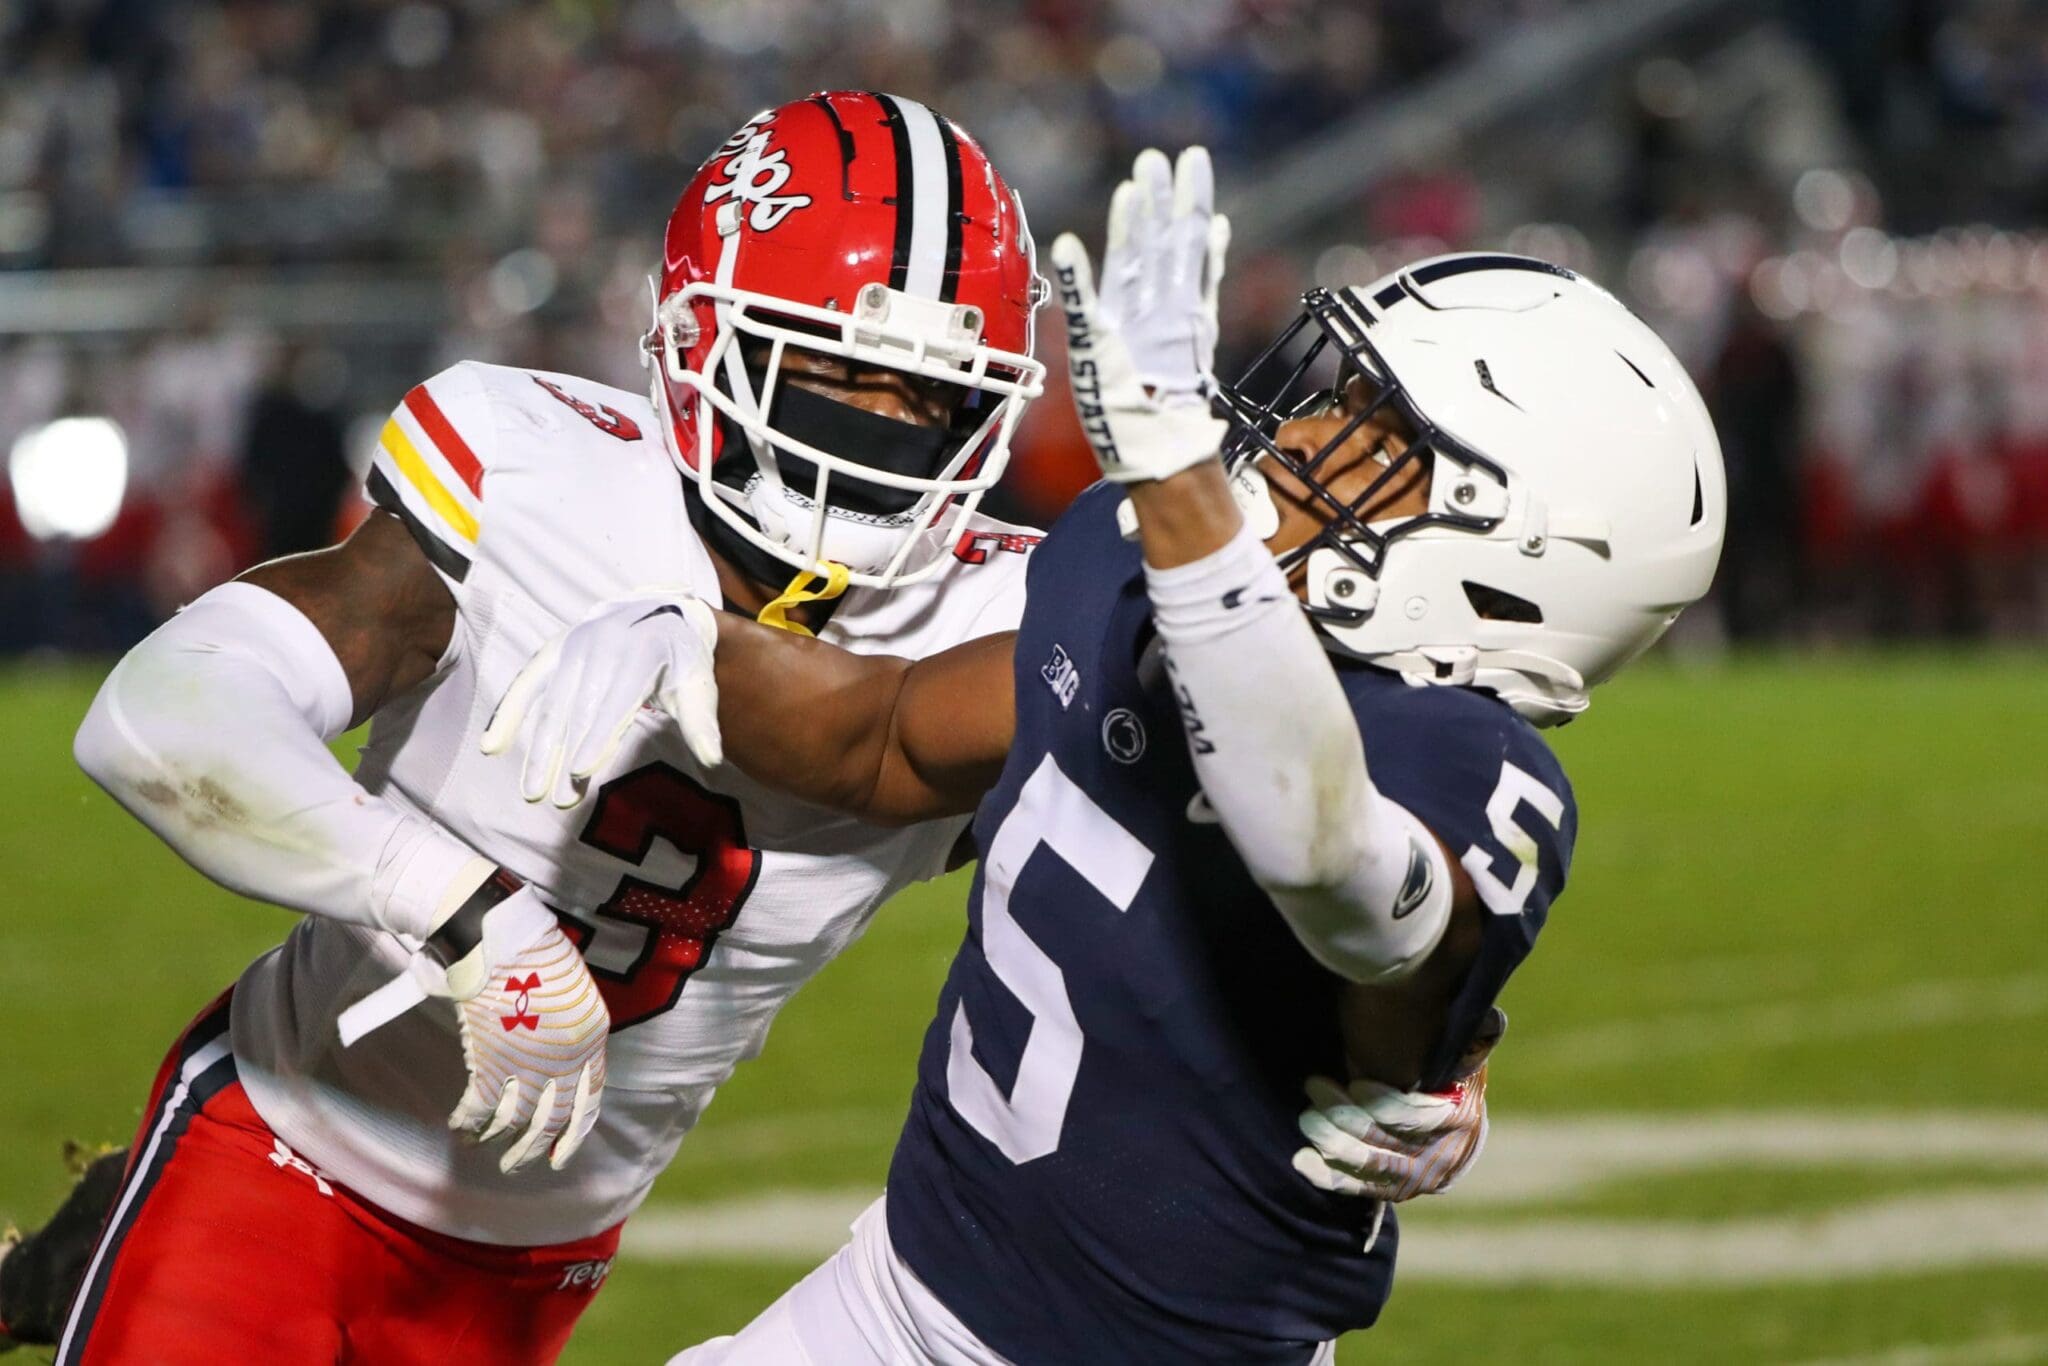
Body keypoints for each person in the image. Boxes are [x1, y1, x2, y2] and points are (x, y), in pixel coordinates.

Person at [639, 149, 1726, 1361]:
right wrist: (665, 643)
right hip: (895, 1291)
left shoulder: (1463, 761)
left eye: (1376, 431)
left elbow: (1329, 865)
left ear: (1505, 548)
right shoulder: (1125, 556)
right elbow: (885, 732)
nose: (1307, 425)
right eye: (1341, 390)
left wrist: (1185, 506)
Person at [50, 91, 1051, 1366]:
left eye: (925, 398)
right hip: (282, 1154)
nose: (875, 436)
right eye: (824, 373)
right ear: (697, 341)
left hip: (545, 1261)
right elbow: (161, 710)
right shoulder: (543, 475)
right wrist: (462, 909)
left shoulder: (997, 614)